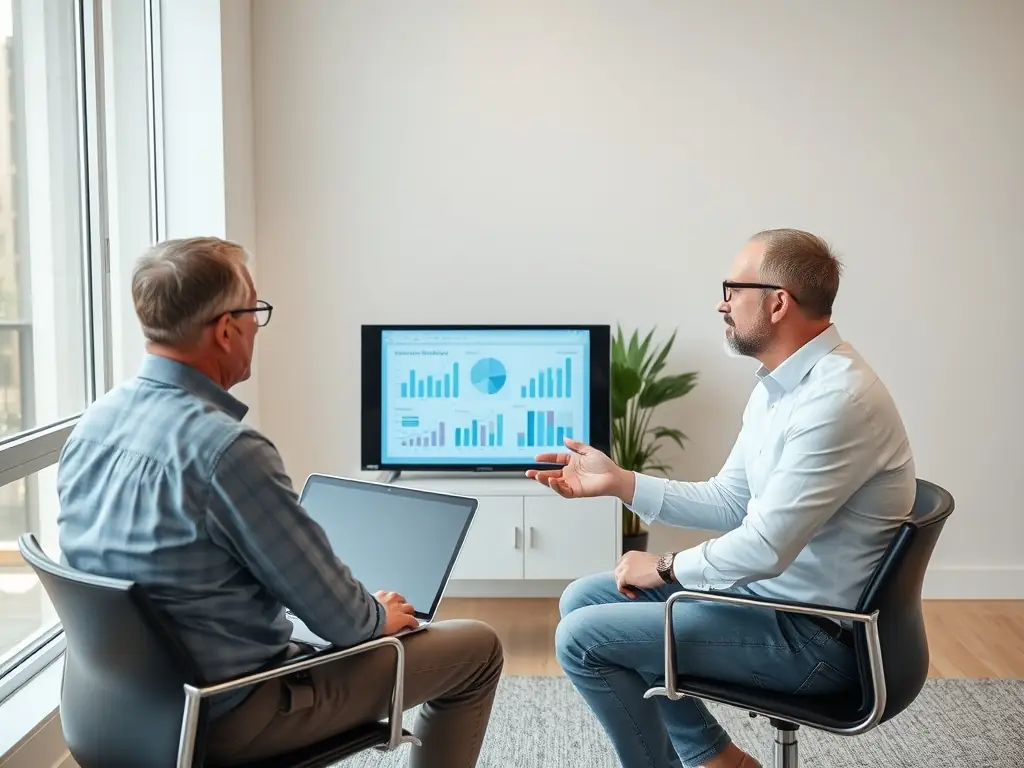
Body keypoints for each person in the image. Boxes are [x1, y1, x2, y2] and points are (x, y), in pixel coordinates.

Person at [56, 237, 503, 767]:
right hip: (228, 714)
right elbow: (346, 623)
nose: (255, 329)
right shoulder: (227, 451)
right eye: (255, 313)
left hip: (112, 707)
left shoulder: (94, 422)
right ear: (226, 330)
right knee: (478, 648)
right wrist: (376, 613)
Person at [527, 229, 915, 768]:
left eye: (733, 288)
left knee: (583, 639)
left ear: (778, 302)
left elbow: (763, 549)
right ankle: (714, 758)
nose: (721, 302)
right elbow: (730, 500)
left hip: (816, 640)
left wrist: (664, 566)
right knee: (583, 600)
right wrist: (620, 482)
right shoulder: (780, 387)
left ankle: (699, 760)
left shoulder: (837, 401)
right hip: (768, 604)